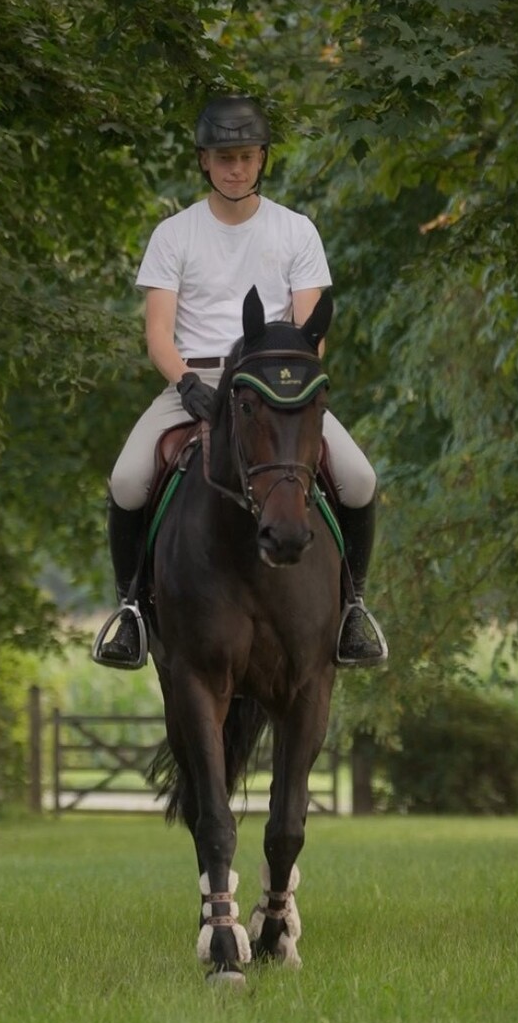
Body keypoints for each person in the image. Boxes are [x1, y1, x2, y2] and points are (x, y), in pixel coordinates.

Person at [92, 96, 387, 671]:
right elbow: (157, 334)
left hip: (276, 386)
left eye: (247, 157)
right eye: (224, 157)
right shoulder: (173, 235)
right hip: (195, 378)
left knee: (358, 478)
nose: (236, 168)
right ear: (204, 161)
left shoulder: (296, 231)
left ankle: (353, 608)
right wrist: (184, 384)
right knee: (127, 480)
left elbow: (310, 332)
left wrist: (287, 386)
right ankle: (130, 610)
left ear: (262, 160)